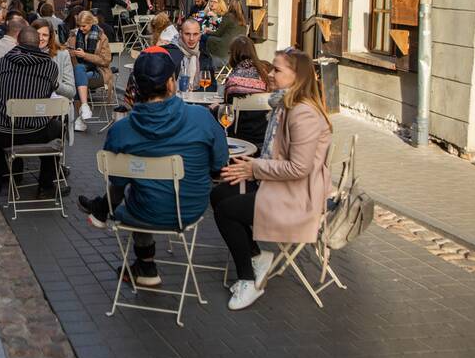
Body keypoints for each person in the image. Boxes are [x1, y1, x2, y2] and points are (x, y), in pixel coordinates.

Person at [76, 46, 228, 285]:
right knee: (144, 191)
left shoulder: (121, 130)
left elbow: (116, 179)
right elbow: (220, 163)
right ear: (171, 82)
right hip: (189, 209)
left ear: (136, 85)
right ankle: (144, 267)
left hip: (143, 212)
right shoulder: (201, 118)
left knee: (138, 190)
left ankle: (145, 264)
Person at [213, 47, 333, 310]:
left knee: (227, 211)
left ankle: (249, 280)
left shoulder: (302, 113)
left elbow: (299, 168)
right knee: (220, 193)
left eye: (277, 70)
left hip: (299, 197)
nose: (269, 73)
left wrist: (255, 168)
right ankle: (257, 255)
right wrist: (253, 167)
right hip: (283, 186)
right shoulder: (283, 103)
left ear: (297, 77)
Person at [0, 26, 63, 206]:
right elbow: (49, 93)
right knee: (56, 128)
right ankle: (46, 186)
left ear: (17, 42)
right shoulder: (50, 66)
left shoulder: (2, 62)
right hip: (35, 131)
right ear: (38, 44)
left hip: (4, 133)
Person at [66, 11, 113, 132]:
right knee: (79, 69)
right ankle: (85, 107)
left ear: (91, 23)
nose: (81, 29)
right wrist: (69, 52)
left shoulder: (101, 36)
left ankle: (81, 118)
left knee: (78, 75)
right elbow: (65, 49)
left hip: (99, 72)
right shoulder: (73, 35)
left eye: (84, 26)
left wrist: (85, 55)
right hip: (81, 71)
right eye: (79, 26)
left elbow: (106, 61)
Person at [222, 36, 274, 147]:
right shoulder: (267, 72)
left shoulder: (232, 80)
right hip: (264, 135)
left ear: (233, 55)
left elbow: (227, 110)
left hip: (239, 136)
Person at [167, 18, 216, 92]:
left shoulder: (204, 55)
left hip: (197, 100)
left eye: (195, 34)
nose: (191, 38)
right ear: (180, 33)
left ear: (200, 35)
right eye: (187, 34)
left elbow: (212, 86)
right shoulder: (170, 54)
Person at [33, 18, 75, 102]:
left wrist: (54, 84)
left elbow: (71, 91)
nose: (40, 38)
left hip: (57, 105)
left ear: (50, 37)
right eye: (37, 34)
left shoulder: (62, 54)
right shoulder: (24, 54)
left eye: (45, 35)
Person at [204, 0, 248, 67]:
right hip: (237, 50)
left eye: (228, 4)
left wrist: (208, 31)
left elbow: (218, 33)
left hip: (226, 48)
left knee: (204, 38)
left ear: (230, 5)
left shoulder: (228, 16)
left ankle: (205, 62)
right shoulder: (243, 19)